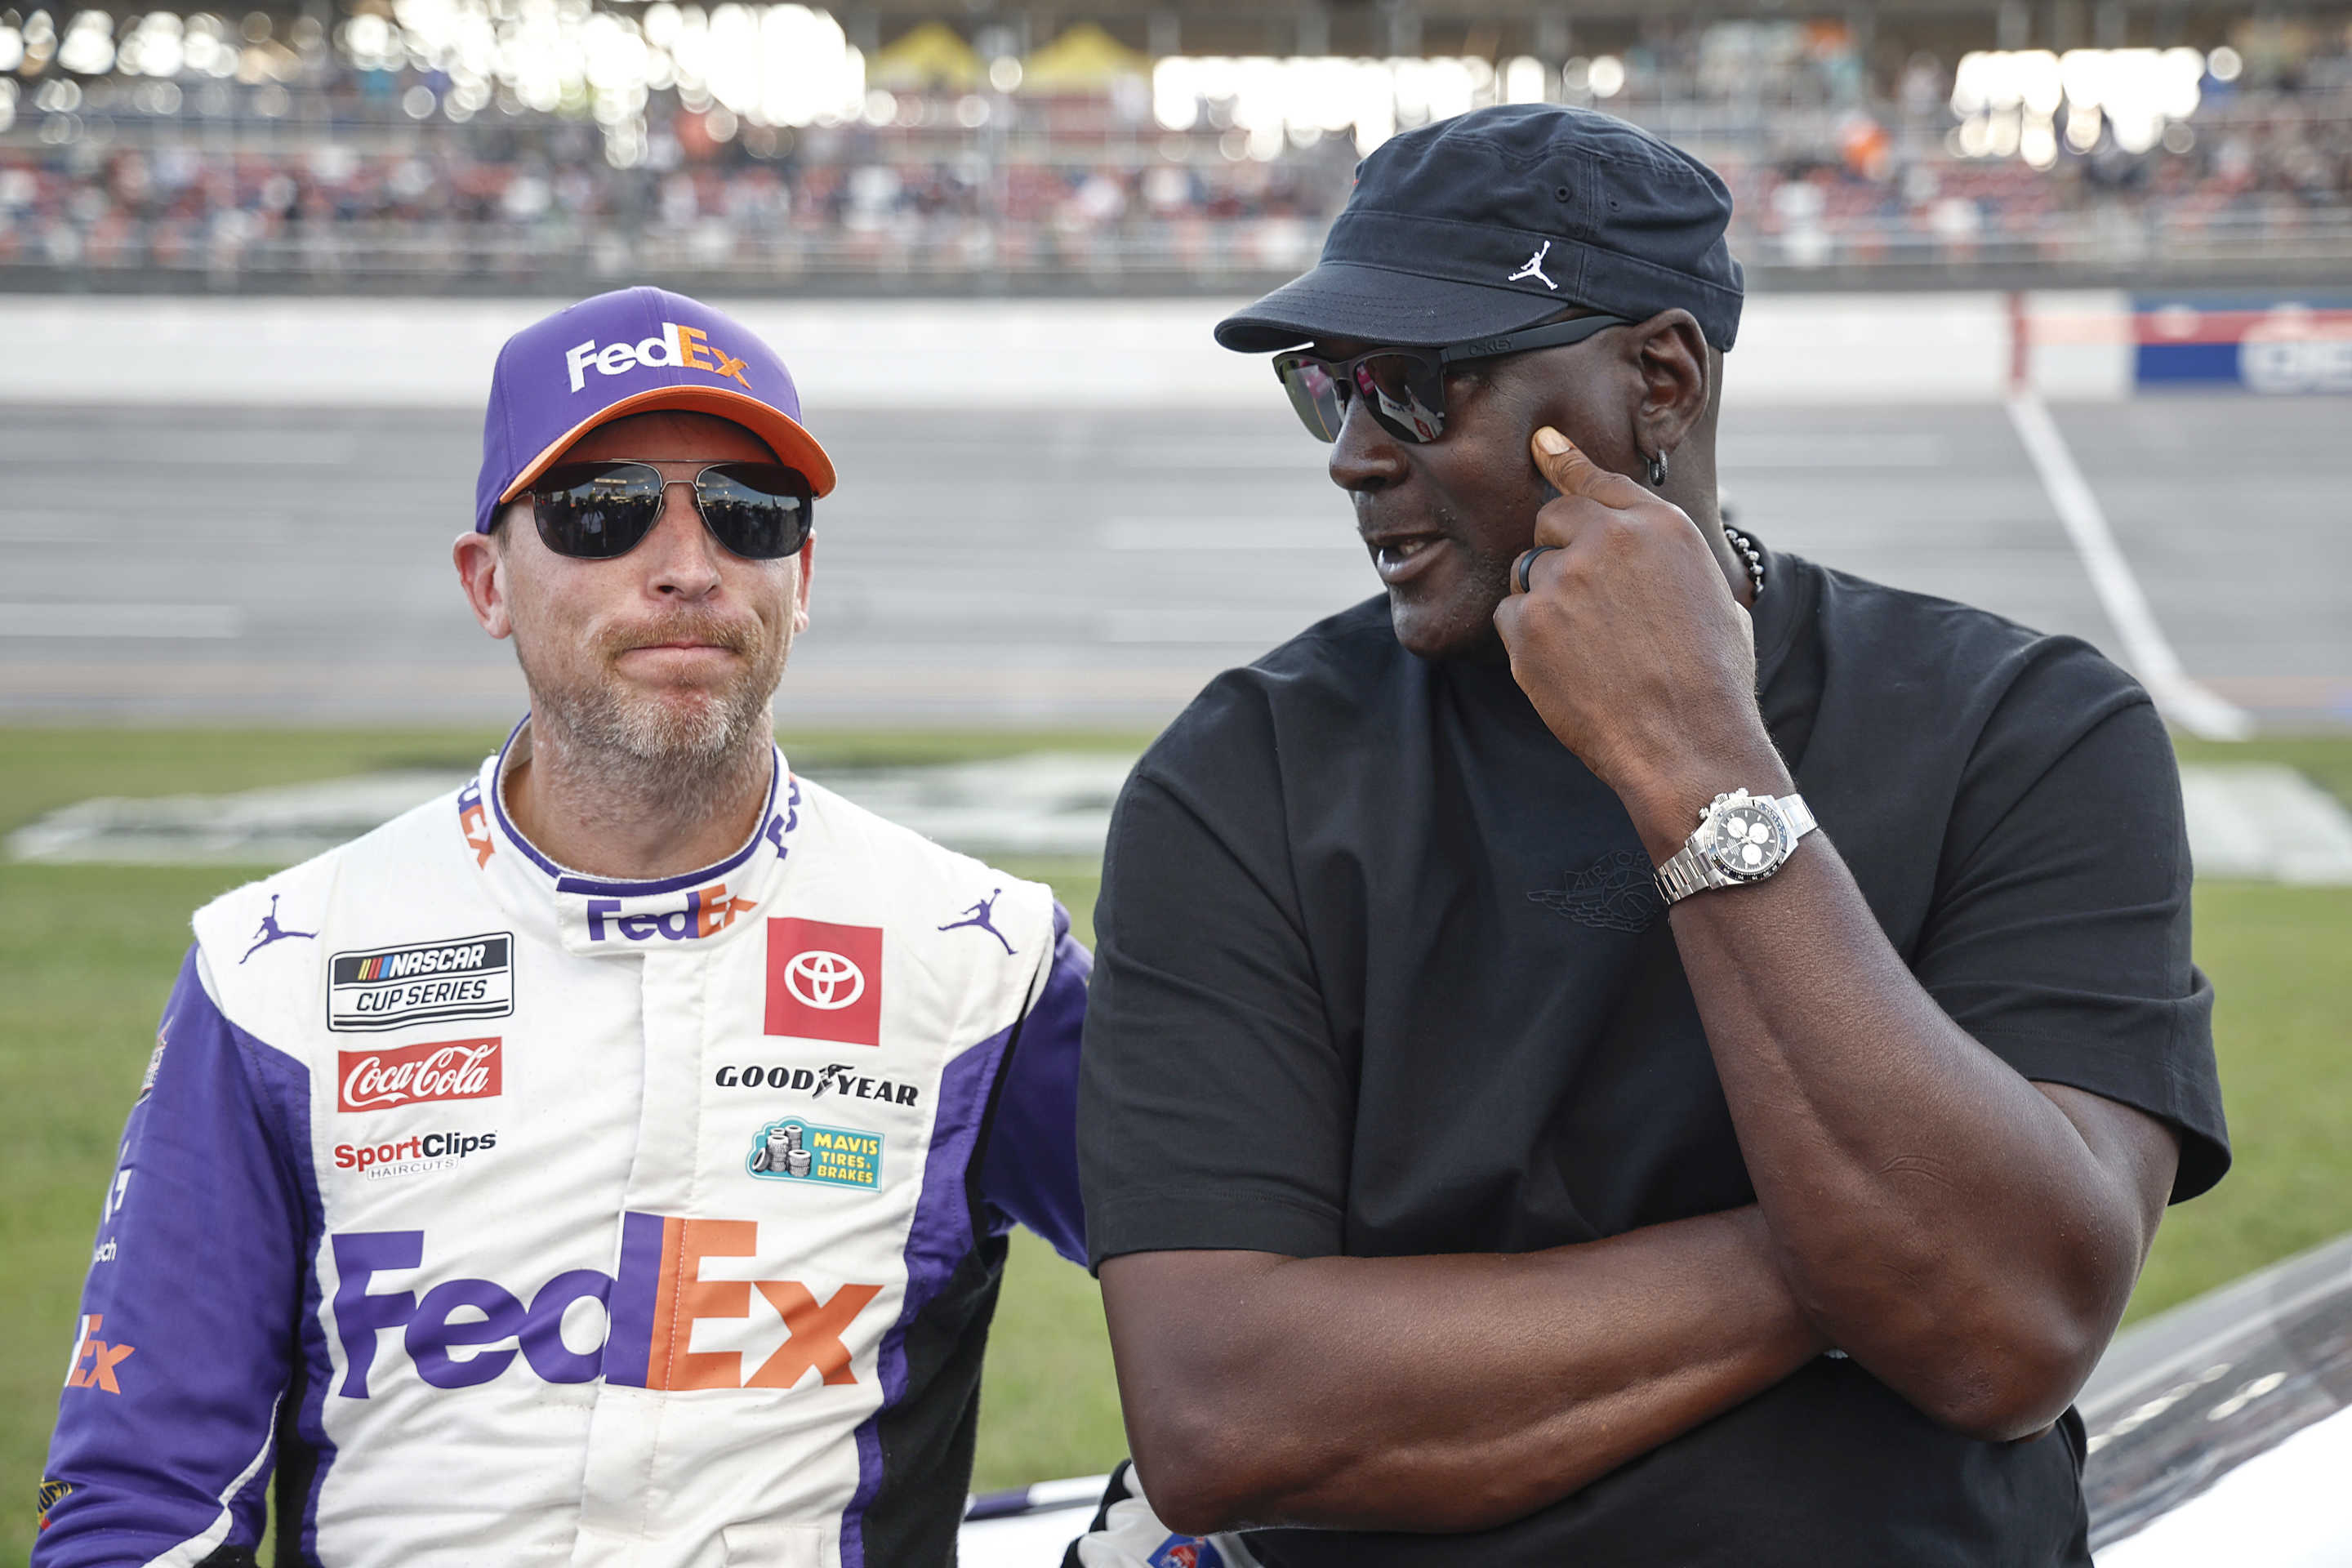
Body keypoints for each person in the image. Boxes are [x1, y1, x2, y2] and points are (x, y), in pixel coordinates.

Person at [1074, 105, 2227, 1566]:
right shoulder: (1245, 777)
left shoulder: (2030, 731)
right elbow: (1222, 1415)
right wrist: (1866, 1254)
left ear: (1659, 381)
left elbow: (2009, 1335)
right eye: (1330, 386)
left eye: (1418, 387)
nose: (1354, 456)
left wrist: (1693, 757)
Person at [37, 286, 1090, 1567]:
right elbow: (142, 1504)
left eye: (751, 513)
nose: (690, 565)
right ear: (488, 582)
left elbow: (1263, 1310)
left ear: (799, 577)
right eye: (604, 511)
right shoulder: (278, 969)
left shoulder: (988, 963)